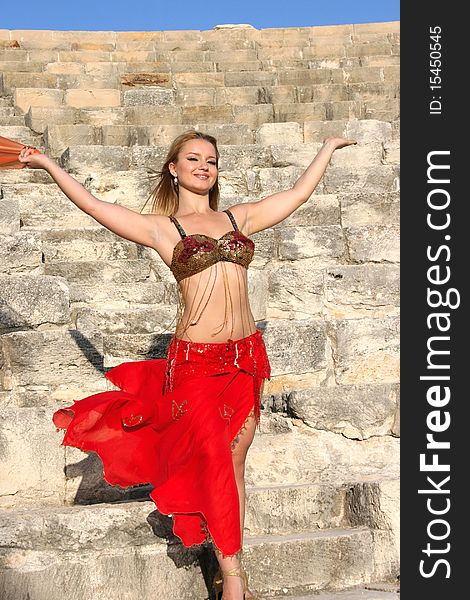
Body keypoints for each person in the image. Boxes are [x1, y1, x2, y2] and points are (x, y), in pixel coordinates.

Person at [18, 130, 356, 600]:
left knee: (236, 459)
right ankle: (235, 583)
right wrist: (51, 166)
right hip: (196, 363)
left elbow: (297, 194)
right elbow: (96, 206)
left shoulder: (238, 217)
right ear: (172, 168)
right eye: (193, 158)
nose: (204, 166)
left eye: (212, 160)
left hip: (244, 359)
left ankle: (228, 563)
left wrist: (326, 148)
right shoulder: (162, 228)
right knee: (215, 460)